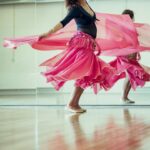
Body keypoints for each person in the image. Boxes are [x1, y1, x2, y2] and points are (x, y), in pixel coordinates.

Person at [39, 0, 121, 113]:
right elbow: (63, 22)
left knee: (88, 73)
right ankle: (71, 103)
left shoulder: (86, 4)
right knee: (86, 72)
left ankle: (74, 103)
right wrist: (48, 32)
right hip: (82, 41)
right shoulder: (75, 8)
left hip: (89, 43)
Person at [110, 9, 150, 104]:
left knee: (130, 76)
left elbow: (135, 41)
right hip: (126, 57)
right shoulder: (122, 28)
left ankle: (124, 97)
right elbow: (120, 42)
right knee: (131, 75)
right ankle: (123, 97)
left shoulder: (130, 28)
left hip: (131, 56)